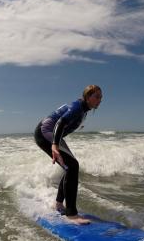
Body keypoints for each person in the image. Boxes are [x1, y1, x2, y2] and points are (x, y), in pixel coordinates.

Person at [34, 85, 103, 225]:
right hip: (46, 132)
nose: (99, 100)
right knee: (72, 166)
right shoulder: (78, 106)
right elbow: (61, 122)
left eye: (101, 97)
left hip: (54, 136)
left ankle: (59, 204)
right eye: (96, 96)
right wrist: (54, 144)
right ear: (87, 97)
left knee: (71, 166)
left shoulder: (83, 109)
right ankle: (71, 214)